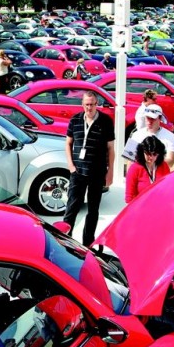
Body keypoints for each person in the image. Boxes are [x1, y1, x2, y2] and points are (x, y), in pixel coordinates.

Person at [63, 91, 115, 246]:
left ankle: (88, 243)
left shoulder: (105, 121)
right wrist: (71, 165)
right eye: (87, 104)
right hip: (77, 172)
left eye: (92, 104)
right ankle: (65, 241)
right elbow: (68, 143)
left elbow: (110, 149)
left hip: (97, 172)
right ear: (82, 104)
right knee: (72, 208)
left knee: (93, 210)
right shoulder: (75, 120)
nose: (89, 108)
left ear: (96, 104)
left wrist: (110, 171)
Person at [124, 135, 170, 204]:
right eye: (148, 154)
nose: (151, 157)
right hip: (140, 207)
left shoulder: (164, 166)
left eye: (154, 154)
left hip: (160, 205)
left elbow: (168, 189)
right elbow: (129, 197)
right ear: (142, 152)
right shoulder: (134, 168)